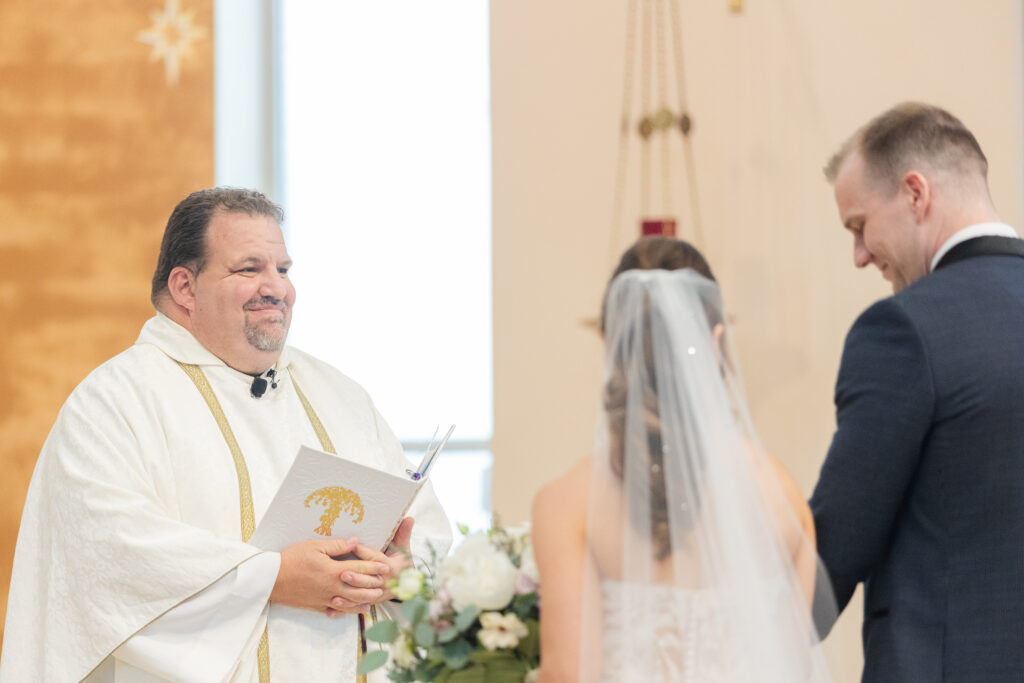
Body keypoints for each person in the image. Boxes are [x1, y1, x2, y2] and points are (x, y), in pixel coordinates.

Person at [0, 188, 452, 682]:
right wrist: (272, 578)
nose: (276, 287)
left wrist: (398, 572)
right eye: (248, 269)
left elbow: (422, 528)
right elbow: (108, 558)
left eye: (283, 269)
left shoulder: (339, 395)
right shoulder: (115, 401)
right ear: (185, 288)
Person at [532, 237, 832, 682]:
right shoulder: (781, 493)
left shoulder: (568, 504)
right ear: (714, 338)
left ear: (608, 339)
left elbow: (569, 676)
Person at [811, 102, 1024, 681]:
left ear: (914, 193)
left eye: (859, 225)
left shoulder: (904, 329)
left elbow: (835, 547)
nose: (859, 256)